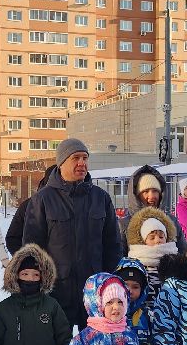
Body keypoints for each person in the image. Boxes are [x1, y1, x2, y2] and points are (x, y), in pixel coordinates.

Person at [22, 138, 123, 328]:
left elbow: (113, 245)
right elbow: (32, 249)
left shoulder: (101, 198)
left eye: (85, 158)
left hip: (95, 294)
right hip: (57, 293)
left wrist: (108, 283)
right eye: (76, 158)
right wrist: (37, 288)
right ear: (61, 163)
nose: (82, 163)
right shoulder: (42, 200)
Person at [125, 207, 179, 299]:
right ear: (143, 240)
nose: (158, 240)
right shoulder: (134, 263)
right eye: (152, 238)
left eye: (161, 237)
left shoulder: (175, 261)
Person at [6, 165, 55, 256]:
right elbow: (12, 239)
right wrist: (27, 262)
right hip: (38, 268)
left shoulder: (79, 203)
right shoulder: (29, 205)